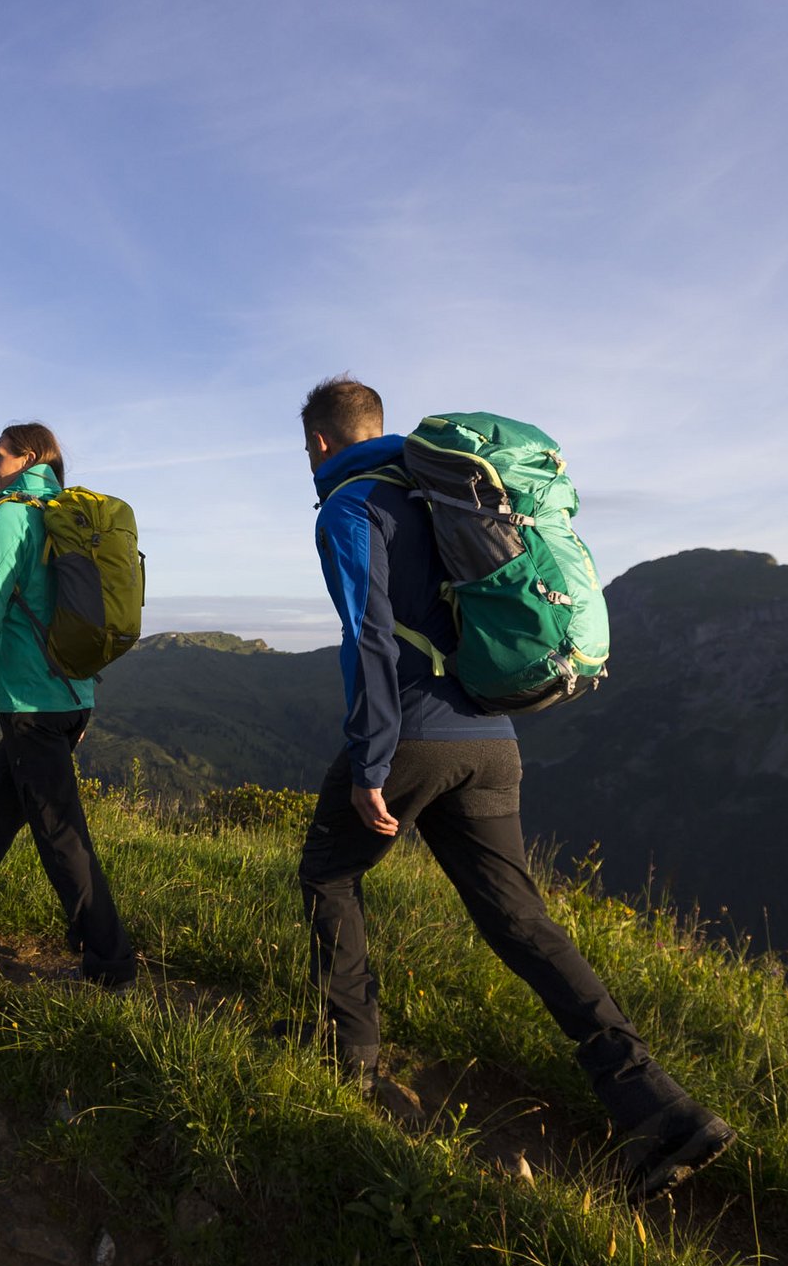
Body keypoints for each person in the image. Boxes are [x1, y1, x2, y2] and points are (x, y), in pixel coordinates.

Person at [294, 375, 733, 1200]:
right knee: (521, 921)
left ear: (319, 442)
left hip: (413, 734)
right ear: (377, 426)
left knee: (329, 873)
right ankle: (661, 1109)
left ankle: (349, 1064)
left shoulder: (349, 506)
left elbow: (370, 637)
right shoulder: (445, 493)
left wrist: (371, 761)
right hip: (492, 739)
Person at [0, 422, 138, 988]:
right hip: (71, 694)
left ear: (27, 458)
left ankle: (109, 965)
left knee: (60, 833)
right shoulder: (69, 514)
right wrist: (81, 702)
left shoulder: (13, 515)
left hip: (32, 703)